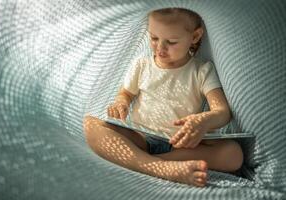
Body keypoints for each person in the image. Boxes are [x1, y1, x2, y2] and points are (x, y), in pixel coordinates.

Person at [84, 8, 243, 187]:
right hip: (141, 136)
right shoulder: (141, 65)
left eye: (171, 42)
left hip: (181, 145)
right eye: (154, 38)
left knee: (234, 154)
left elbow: (222, 112)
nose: (160, 48)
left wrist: (205, 120)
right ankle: (159, 167)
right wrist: (121, 102)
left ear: (195, 36)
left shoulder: (202, 70)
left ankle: (146, 161)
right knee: (90, 124)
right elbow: (126, 93)